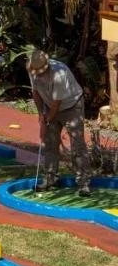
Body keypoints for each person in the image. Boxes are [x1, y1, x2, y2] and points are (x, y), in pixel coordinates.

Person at [28, 49, 92, 196]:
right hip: (50, 105)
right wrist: (41, 115)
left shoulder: (59, 74)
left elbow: (57, 103)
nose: (37, 74)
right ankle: (50, 178)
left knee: (77, 144)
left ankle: (83, 183)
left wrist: (47, 121)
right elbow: (36, 92)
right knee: (50, 143)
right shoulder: (32, 69)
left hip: (71, 106)